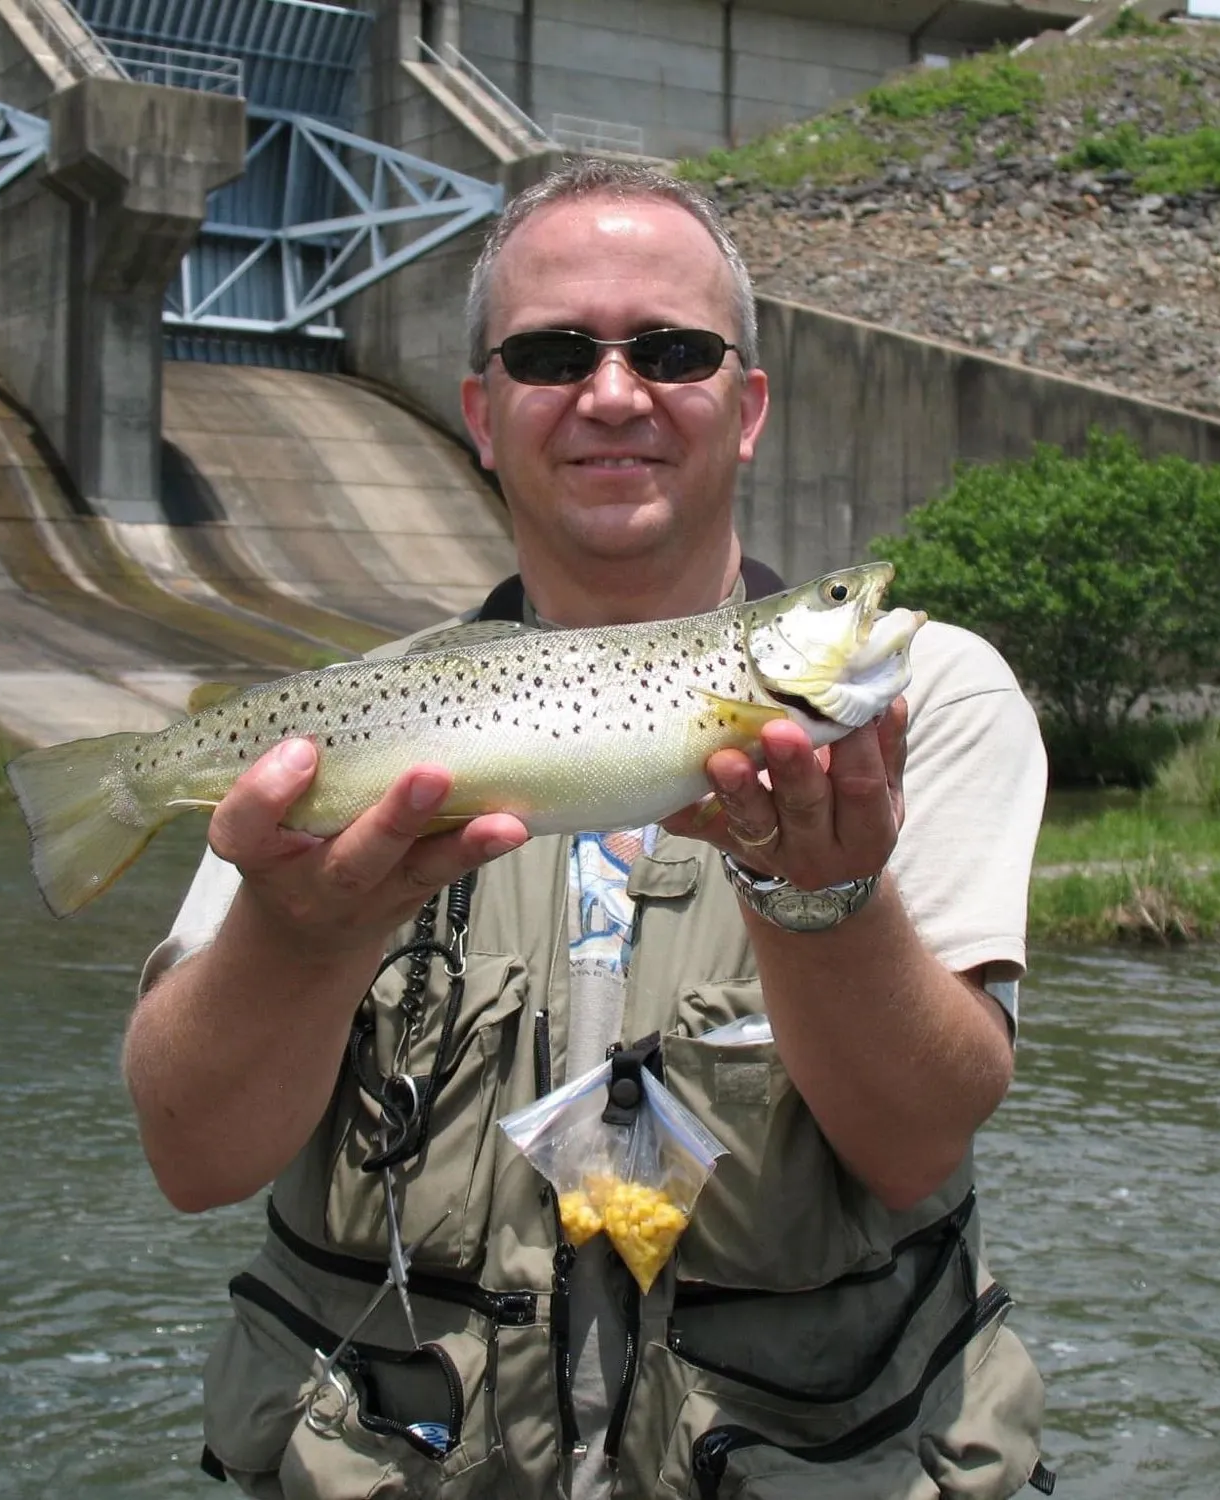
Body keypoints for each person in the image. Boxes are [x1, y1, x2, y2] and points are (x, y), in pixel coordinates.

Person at [123, 158, 1054, 1499]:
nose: (613, 394)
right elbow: (191, 1157)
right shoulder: (365, 717)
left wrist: (822, 901)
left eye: (671, 351)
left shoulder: (924, 699)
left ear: (748, 406)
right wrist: (294, 934)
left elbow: (915, 1145)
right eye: (554, 353)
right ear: (482, 414)